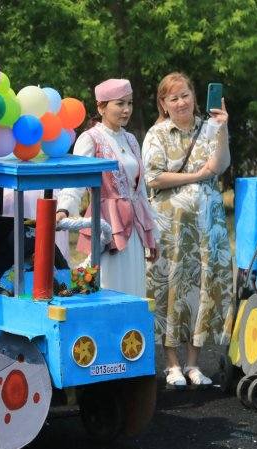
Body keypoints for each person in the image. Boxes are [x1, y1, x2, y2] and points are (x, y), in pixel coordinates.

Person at [142, 72, 232, 388]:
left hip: (207, 228)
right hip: (170, 228)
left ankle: (194, 363)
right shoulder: (156, 134)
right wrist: (196, 177)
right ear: (163, 104)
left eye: (185, 95)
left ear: (194, 96)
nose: (181, 102)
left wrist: (221, 129)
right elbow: (153, 178)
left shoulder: (208, 129)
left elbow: (219, 166)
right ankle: (171, 365)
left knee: (202, 287)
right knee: (170, 288)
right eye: (173, 98)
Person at [56, 78, 158, 296]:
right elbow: (76, 179)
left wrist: (152, 234)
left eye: (129, 103)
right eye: (119, 104)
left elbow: (140, 190)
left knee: (134, 289)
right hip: (107, 227)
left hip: (135, 226)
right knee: (107, 285)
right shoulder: (91, 138)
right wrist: (63, 208)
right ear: (101, 107)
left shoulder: (130, 139)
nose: (127, 110)